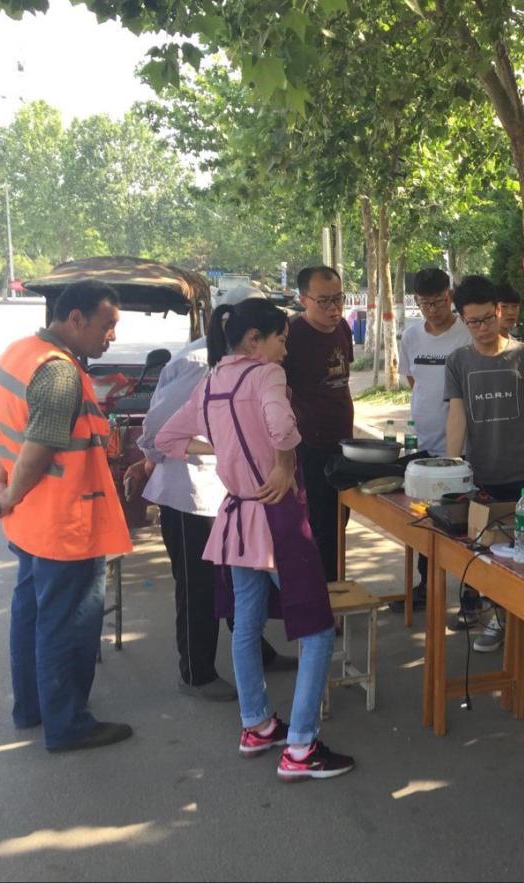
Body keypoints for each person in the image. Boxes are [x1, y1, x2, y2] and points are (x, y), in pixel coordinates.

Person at [156, 297, 353, 781]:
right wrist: (283, 464)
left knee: (246, 623)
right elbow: (282, 427)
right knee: (317, 629)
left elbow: (165, 439)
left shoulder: (212, 382)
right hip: (275, 517)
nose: (285, 349)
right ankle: (301, 747)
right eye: (281, 339)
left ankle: (257, 724)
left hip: (236, 516)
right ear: (253, 340)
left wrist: (222, 447)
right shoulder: (267, 375)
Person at [0, 280, 133, 751]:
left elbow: (3, 429)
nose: (112, 336)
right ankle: (67, 725)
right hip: (65, 525)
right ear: (75, 319)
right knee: (67, 626)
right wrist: (8, 494)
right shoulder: (59, 373)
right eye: (107, 325)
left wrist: (2, 488)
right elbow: (39, 446)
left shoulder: (19, 352)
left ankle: (32, 709)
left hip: (31, 522)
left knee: (31, 616)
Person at [126, 286, 292, 702]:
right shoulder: (200, 362)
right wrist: (216, 446)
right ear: (250, 332)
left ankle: (256, 652)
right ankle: (196, 674)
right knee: (196, 587)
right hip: (189, 494)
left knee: (239, 582)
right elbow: (159, 429)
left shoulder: (250, 366)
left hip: (227, 493)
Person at [445, 275, 524, 651]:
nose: (481, 328)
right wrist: (452, 466)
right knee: (488, 556)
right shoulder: (458, 361)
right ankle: (498, 620)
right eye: (473, 322)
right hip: (482, 477)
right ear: (463, 320)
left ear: (499, 312)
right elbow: (457, 416)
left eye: (487, 319)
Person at [393, 267, 470, 613]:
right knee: (425, 518)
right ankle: (426, 586)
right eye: (424, 304)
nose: (432, 310)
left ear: (449, 296)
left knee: (464, 520)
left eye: (438, 302)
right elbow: (414, 380)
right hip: (424, 441)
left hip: (462, 444)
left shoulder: (466, 334)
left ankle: (472, 594)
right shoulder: (411, 336)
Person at [283, 265, 354, 583]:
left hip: (344, 443)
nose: (333, 308)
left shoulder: (343, 329)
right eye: (323, 301)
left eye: (338, 298)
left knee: (339, 521)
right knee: (317, 525)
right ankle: (319, 595)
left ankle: (332, 587)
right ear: (303, 299)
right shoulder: (291, 335)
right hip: (309, 446)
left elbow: (342, 381)